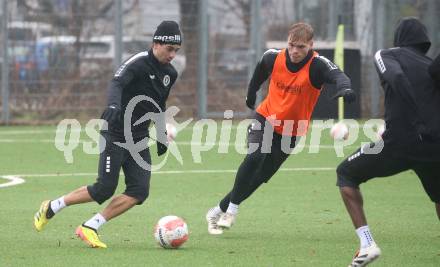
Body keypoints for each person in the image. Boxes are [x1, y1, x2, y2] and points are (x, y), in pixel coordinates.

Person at [33, 21, 182, 248]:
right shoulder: (138, 62)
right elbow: (117, 83)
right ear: (156, 43)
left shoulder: (170, 74)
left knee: (139, 191)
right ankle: (52, 206)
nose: (173, 55)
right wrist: (113, 106)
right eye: (169, 49)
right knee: (103, 188)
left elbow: (159, 104)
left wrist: (161, 133)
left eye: (176, 51)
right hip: (115, 134)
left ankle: (90, 226)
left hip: (139, 140)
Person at [206, 22, 356, 235]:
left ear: (311, 45)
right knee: (256, 156)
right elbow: (259, 72)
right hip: (266, 117)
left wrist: (346, 89)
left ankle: (216, 211)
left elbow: (339, 76)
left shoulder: (317, 65)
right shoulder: (273, 57)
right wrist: (251, 93)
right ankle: (231, 210)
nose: (295, 51)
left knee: (260, 177)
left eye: (301, 47)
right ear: (287, 42)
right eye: (292, 45)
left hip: (292, 132)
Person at [336, 17, 440, 267]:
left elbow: (395, 78)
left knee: (346, 174)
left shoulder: (388, 54)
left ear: (399, 39)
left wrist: (412, 113)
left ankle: (367, 244)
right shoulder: (430, 66)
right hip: (434, 145)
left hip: (399, 142)